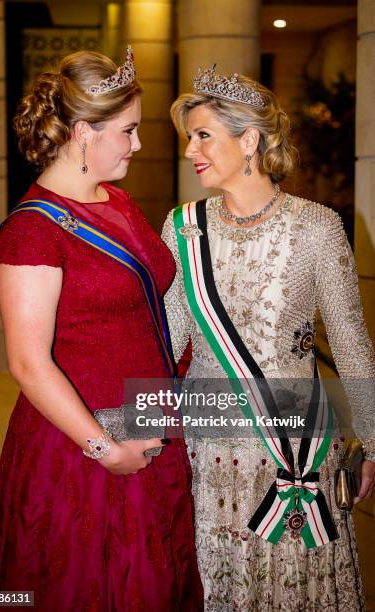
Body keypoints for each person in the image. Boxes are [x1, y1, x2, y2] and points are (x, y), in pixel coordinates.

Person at [0, 47, 203, 611]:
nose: (138, 143)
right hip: (83, 446)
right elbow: (28, 363)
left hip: (149, 419)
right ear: (82, 132)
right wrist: (105, 450)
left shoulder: (117, 201)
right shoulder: (32, 231)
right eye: (128, 131)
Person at [162, 64, 375, 611]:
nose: (191, 150)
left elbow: (351, 342)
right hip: (211, 453)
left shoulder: (317, 227)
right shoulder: (183, 227)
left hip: (294, 452)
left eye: (203, 135)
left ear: (249, 139)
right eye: (190, 137)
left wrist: (373, 442)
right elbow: (167, 334)